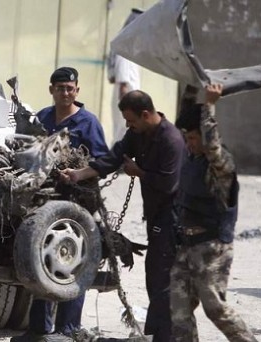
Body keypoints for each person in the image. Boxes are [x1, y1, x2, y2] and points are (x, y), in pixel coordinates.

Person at [61, 90, 185, 342]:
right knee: (155, 276)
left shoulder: (171, 140)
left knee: (162, 278)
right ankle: (160, 334)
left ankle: (166, 337)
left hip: (173, 217)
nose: (128, 125)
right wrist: (79, 174)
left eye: (131, 120)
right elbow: (112, 157)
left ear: (146, 114)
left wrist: (138, 171)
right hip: (156, 216)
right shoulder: (137, 134)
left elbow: (169, 183)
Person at [11, 67, 109, 342]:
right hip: (42, 203)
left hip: (76, 206)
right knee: (40, 264)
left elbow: (103, 162)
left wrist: (78, 172)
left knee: (71, 265)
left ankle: (68, 330)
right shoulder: (42, 117)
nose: (65, 93)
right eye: (60, 88)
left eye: (70, 88)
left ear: (77, 90)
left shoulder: (88, 123)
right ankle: (39, 329)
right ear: (51, 90)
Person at [170, 83, 258, 342]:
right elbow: (182, 125)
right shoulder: (191, 157)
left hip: (212, 248)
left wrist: (209, 105)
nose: (190, 143)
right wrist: (188, 88)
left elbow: (211, 146)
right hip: (186, 246)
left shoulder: (221, 164)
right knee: (179, 310)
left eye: (194, 138)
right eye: (188, 139)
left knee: (215, 309)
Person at [107, 8, 142, 142]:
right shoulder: (126, 49)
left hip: (127, 100)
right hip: (127, 100)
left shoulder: (128, 48)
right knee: (123, 133)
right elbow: (123, 84)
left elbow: (112, 77)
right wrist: (127, 107)